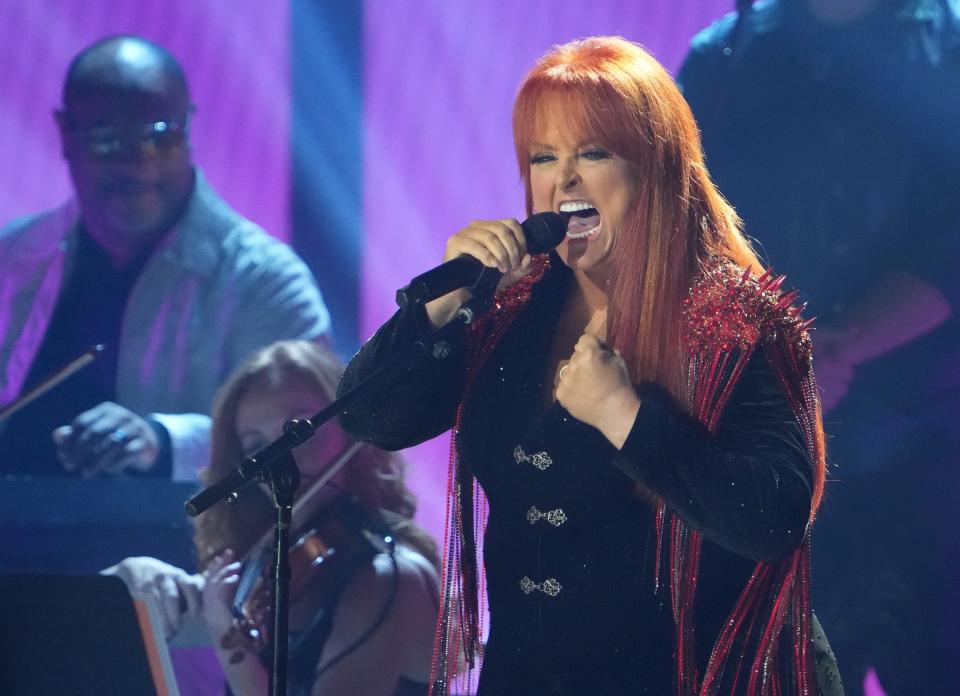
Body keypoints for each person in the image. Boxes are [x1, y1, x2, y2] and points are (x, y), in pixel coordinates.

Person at [338, 36, 842, 696]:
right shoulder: (510, 304)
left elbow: (773, 521)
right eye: (543, 157)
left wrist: (625, 417)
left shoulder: (733, 318)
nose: (563, 180)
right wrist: (438, 307)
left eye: (592, 153)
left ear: (654, 166)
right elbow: (367, 415)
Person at [677, 2, 959, 691]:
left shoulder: (948, 47)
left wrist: (840, 346)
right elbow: (675, 235)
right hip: (770, 459)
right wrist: (776, 355)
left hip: (930, 457)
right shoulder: (726, 55)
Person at [0, 35, 330, 482]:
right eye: (107, 139)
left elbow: (306, 442)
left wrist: (163, 440)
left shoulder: (265, 279)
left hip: (188, 548)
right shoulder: (10, 258)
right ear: (64, 134)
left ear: (188, 126)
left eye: (160, 136)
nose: (139, 163)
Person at [105, 340, 440, 696]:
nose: (280, 459)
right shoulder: (277, 562)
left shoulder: (390, 577)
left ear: (349, 428)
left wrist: (229, 642)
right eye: (255, 446)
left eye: (298, 433)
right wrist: (141, 573)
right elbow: (206, 593)